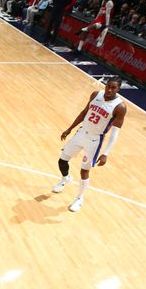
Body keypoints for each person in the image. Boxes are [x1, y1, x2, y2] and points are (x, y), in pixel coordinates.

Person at [52, 77, 127, 213]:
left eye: (113, 88)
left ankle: (79, 199)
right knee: (62, 160)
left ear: (118, 89)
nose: (109, 90)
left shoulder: (120, 107)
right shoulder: (95, 95)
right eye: (108, 86)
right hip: (81, 133)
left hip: (94, 140)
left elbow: (115, 133)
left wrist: (105, 154)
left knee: (84, 170)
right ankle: (65, 178)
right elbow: (84, 113)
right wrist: (69, 129)